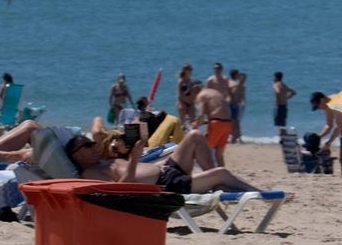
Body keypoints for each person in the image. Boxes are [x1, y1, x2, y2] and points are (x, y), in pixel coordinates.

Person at [65, 128, 259, 193]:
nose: (94, 147)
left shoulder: (104, 161)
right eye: (89, 145)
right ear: (77, 155)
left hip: (166, 170)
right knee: (221, 173)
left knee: (194, 136)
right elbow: (121, 187)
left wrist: (154, 162)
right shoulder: (89, 173)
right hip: (168, 184)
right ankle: (262, 194)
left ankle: (216, 187)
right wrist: (133, 159)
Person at [195, 86, 233, 167]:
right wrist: (204, 122)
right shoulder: (215, 92)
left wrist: (194, 126)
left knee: (206, 151)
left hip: (216, 123)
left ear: (195, 89)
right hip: (228, 123)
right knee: (219, 155)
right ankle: (222, 175)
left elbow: (200, 115)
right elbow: (219, 113)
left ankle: (210, 173)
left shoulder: (201, 95)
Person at [228, 68, 247, 143]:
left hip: (239, 104)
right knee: (235, 121)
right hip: (236, 103)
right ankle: (236, 137)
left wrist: (239, 74)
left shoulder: (238, 83)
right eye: (238, 74)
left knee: (236, 121)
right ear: (236, 75)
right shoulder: (235, 83)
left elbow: (245, 75)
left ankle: (236, 137)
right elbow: (232, 93)